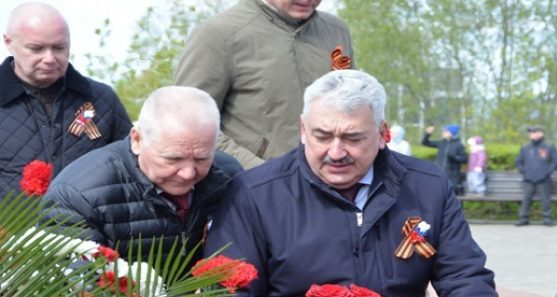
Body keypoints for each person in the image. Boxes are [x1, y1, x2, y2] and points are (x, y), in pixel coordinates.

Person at [203, 69, 499, 297]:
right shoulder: (255, 194)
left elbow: (464, 277)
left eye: (353, 137)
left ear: (383, 134)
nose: (336, 152)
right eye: (321, 136)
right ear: (303, 130)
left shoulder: (427, 186)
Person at [41, 86, 242, 265]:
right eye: (173, 159)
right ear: (137, 140)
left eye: (202, 159)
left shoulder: (230, 177)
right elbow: (79, 290)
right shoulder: (77, 196)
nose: (188, 173)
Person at [174, 0, 354, 169]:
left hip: (332, 184)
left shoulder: (336, 31)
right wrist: (262, 173)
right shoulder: (218, 34)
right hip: (251, 190)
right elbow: (188, 123)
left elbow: (352, 107)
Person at [0, 2, 132, 200]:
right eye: (36, 49)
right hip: (10, 228)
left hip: (87, 228)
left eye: (59, 48)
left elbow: (132, 170)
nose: (50, 58)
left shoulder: (102, 100)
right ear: (8, 42)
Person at [515, 126, 557, 226]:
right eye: (530, 132)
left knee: (545, 199)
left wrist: (547, 172)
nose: (532, 134)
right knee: (526, 199)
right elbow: (518, 162)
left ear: (541, 133)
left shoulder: (549, 147)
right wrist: (524, 171)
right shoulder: (525, 148)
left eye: (534, 132)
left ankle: (547, 218)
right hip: (528, 179)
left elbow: (556, 161)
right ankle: (523, 218)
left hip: (543, 179)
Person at [421, 124, 468, 195]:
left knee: (451, 197)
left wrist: (454, 158)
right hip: (439, 175)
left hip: (452, 177)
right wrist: (428, 134)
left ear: (452, 133)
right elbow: (425, 143)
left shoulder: (459, 145)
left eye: (446, 131)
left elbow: (464, 159)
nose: (443, 132)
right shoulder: (441, 143)